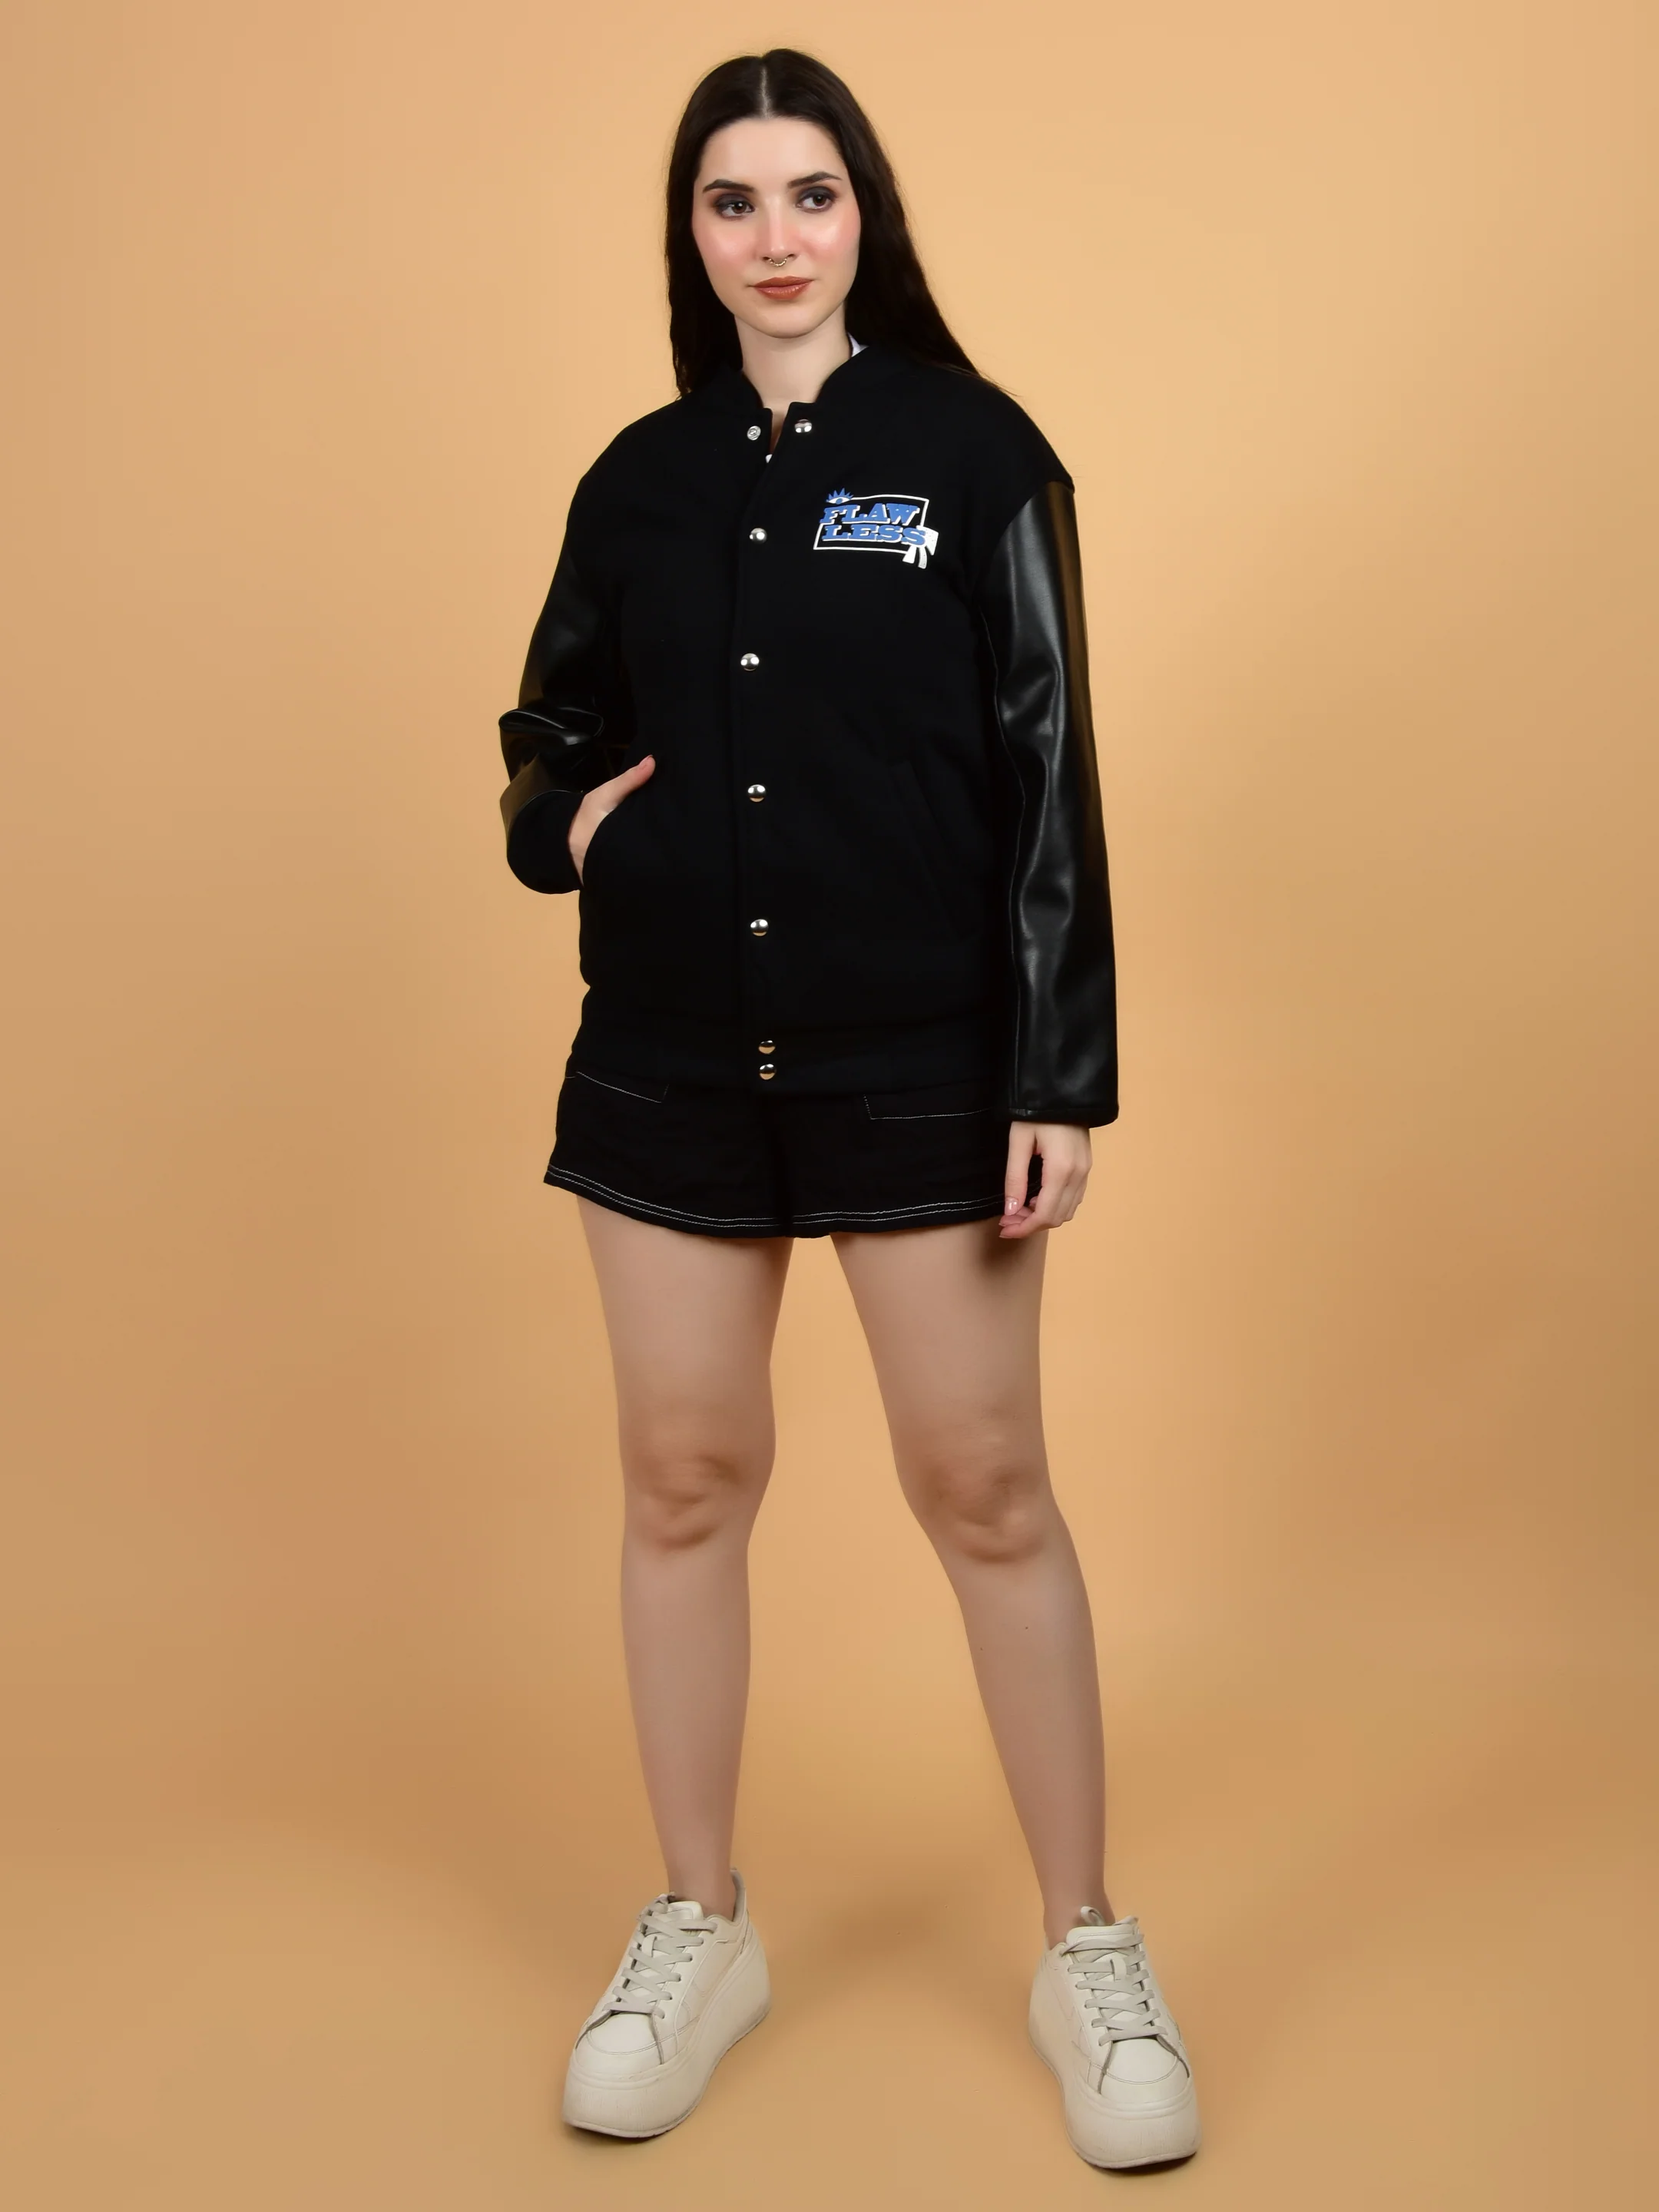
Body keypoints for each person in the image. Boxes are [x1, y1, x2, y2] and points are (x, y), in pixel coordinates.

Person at [496, 48, 1200, 2172]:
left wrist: (1056, 1070)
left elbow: (1053, 766)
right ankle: (699, 1925)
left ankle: (1085, 1946)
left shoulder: (973, 454)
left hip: (922, 1059)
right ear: (693, 236)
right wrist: (566, 825)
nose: (776, 235)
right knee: (684, 1475)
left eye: (811, 193)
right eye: (734, 200)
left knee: (985, 1485)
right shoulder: (637, 479)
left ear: (862, 214)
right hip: (671, 1056)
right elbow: (548, 728)